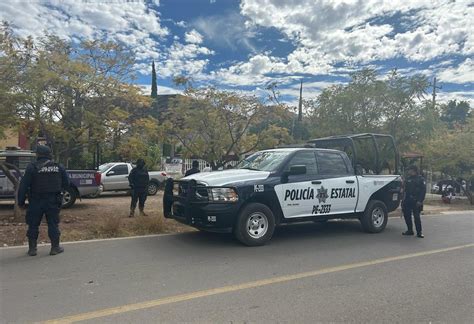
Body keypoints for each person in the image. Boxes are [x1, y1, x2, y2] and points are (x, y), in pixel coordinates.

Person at [18, 145, 69, 256]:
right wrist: (60, 192)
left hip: (36, 200)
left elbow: (23, 186)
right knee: (53, 224)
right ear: (49, 154)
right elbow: (67, 183)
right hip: (53, 200)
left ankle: (32, 249)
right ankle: (55, 248)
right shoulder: (58, 167)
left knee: (33, 224)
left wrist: (20, 202)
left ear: (38, 155)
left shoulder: (32, 167)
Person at [402, 165, 426, 238]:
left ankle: (419, 232)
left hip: (416, 200)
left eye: (409, 170)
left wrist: (420, 200)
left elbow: (423, 191)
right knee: (407, 216)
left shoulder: (420, 179)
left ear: (414, 170)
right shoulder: (408, 179)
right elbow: (404, 189)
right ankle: (410, 230)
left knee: (417, 217)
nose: (408, 171)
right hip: (408, 200)